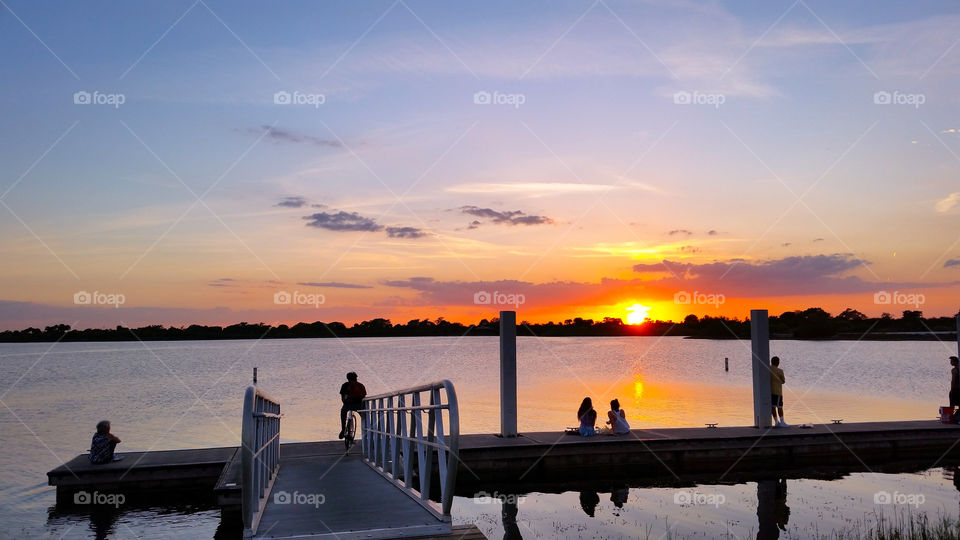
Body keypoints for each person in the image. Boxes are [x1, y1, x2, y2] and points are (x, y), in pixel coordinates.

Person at [338, 371, 367, 439]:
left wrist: (346, 403)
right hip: (359, 405)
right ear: (356, 378)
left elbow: (343, 398)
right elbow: (364, 397)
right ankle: (368, 432)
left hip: (348, 405)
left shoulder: (345, 385)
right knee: (365, 418)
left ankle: (343, 429)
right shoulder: (361, 385)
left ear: (347, 378)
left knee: (343, 412)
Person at [770, 356, 788, 427]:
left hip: (770, 391)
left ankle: (776, 422)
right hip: (777, 391)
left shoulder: (768, 369)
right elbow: (783, 381)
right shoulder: (780, 371)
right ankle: (782, 422)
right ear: (778, 363)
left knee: (772, 407)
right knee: (779, 407)